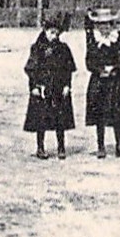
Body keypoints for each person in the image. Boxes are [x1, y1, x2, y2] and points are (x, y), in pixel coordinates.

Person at [24, 15, 77, 159]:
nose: (54, 36)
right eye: (51, 32)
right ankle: (40, 148)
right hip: (42, 89)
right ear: (45, 31)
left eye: (56, 33)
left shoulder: (63, 48)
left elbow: (68, 69)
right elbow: (31, 69)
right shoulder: (37, 48)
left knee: (60, 119)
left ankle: (61, 147)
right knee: (41, 119)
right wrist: (34, 86)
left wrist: (67, 85)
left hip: (58, 88)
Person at [85, 7, 120, 158]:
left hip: (115, 83)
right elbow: (89, 62)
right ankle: (101, 146)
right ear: (97, 27)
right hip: (99, 82)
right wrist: (99, 70)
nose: (104, 28)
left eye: (107, 24)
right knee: (100, 115)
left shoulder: (118, 41)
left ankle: (119, 145)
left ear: (112, 25)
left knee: (117, 114)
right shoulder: (93, 43)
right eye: (101, 25)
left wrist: (114, 69)